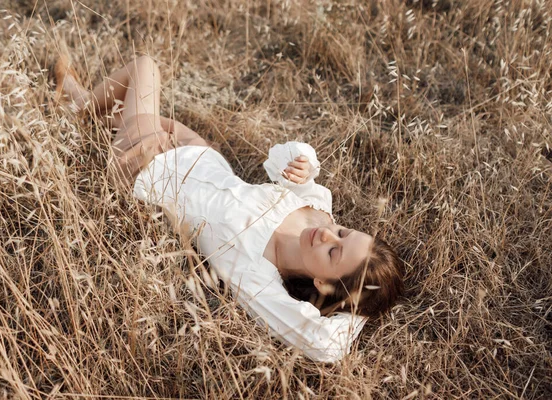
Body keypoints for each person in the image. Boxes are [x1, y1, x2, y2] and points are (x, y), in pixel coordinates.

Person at [55, 53, 404, 362]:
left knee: (144, 67)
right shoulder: (317, 212)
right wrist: (303, 164)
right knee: (141, 116)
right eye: (343, 232)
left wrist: (358, 309)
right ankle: (90, 108)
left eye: (333, 252)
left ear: (323, 285)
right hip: (202, 157)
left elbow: (325, 346)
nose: (328, 234)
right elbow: (291, 168)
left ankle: (75, 103)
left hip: (146, 168)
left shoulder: (259, 279)